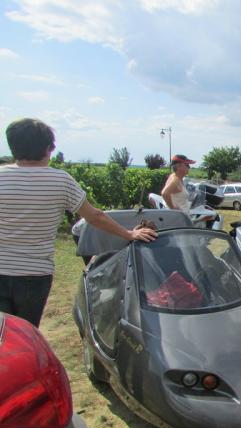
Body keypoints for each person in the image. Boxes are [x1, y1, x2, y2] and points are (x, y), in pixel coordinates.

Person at [0, 118, 157, 328]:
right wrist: (129, 234)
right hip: (35, 274)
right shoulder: (61, 180)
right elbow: (94, 216)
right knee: (26, 333)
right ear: (48, 148)